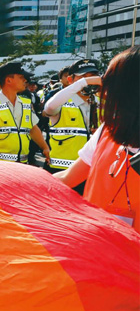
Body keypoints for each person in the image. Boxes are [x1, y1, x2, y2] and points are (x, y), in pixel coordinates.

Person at [54, 46, 138, 232]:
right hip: (97, 248)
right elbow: (67, 177)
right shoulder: (106, 131)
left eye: (109, 80)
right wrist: (17, 183)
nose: (102, 88)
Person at [0, 62, 51, 164]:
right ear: (9, 80)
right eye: (21, 77)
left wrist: (45, 147)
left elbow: (33, 128)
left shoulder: (26, 104)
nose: (25, 80)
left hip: (21, 165)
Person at [43, 59, 101, 181]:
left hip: (92, 171)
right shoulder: (62, 101)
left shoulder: (100, 102)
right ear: (70, 80)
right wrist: (81, 84)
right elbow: (49, 107)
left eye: (93, 77)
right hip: (61, 170)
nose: (89, 82)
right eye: (83, 77)